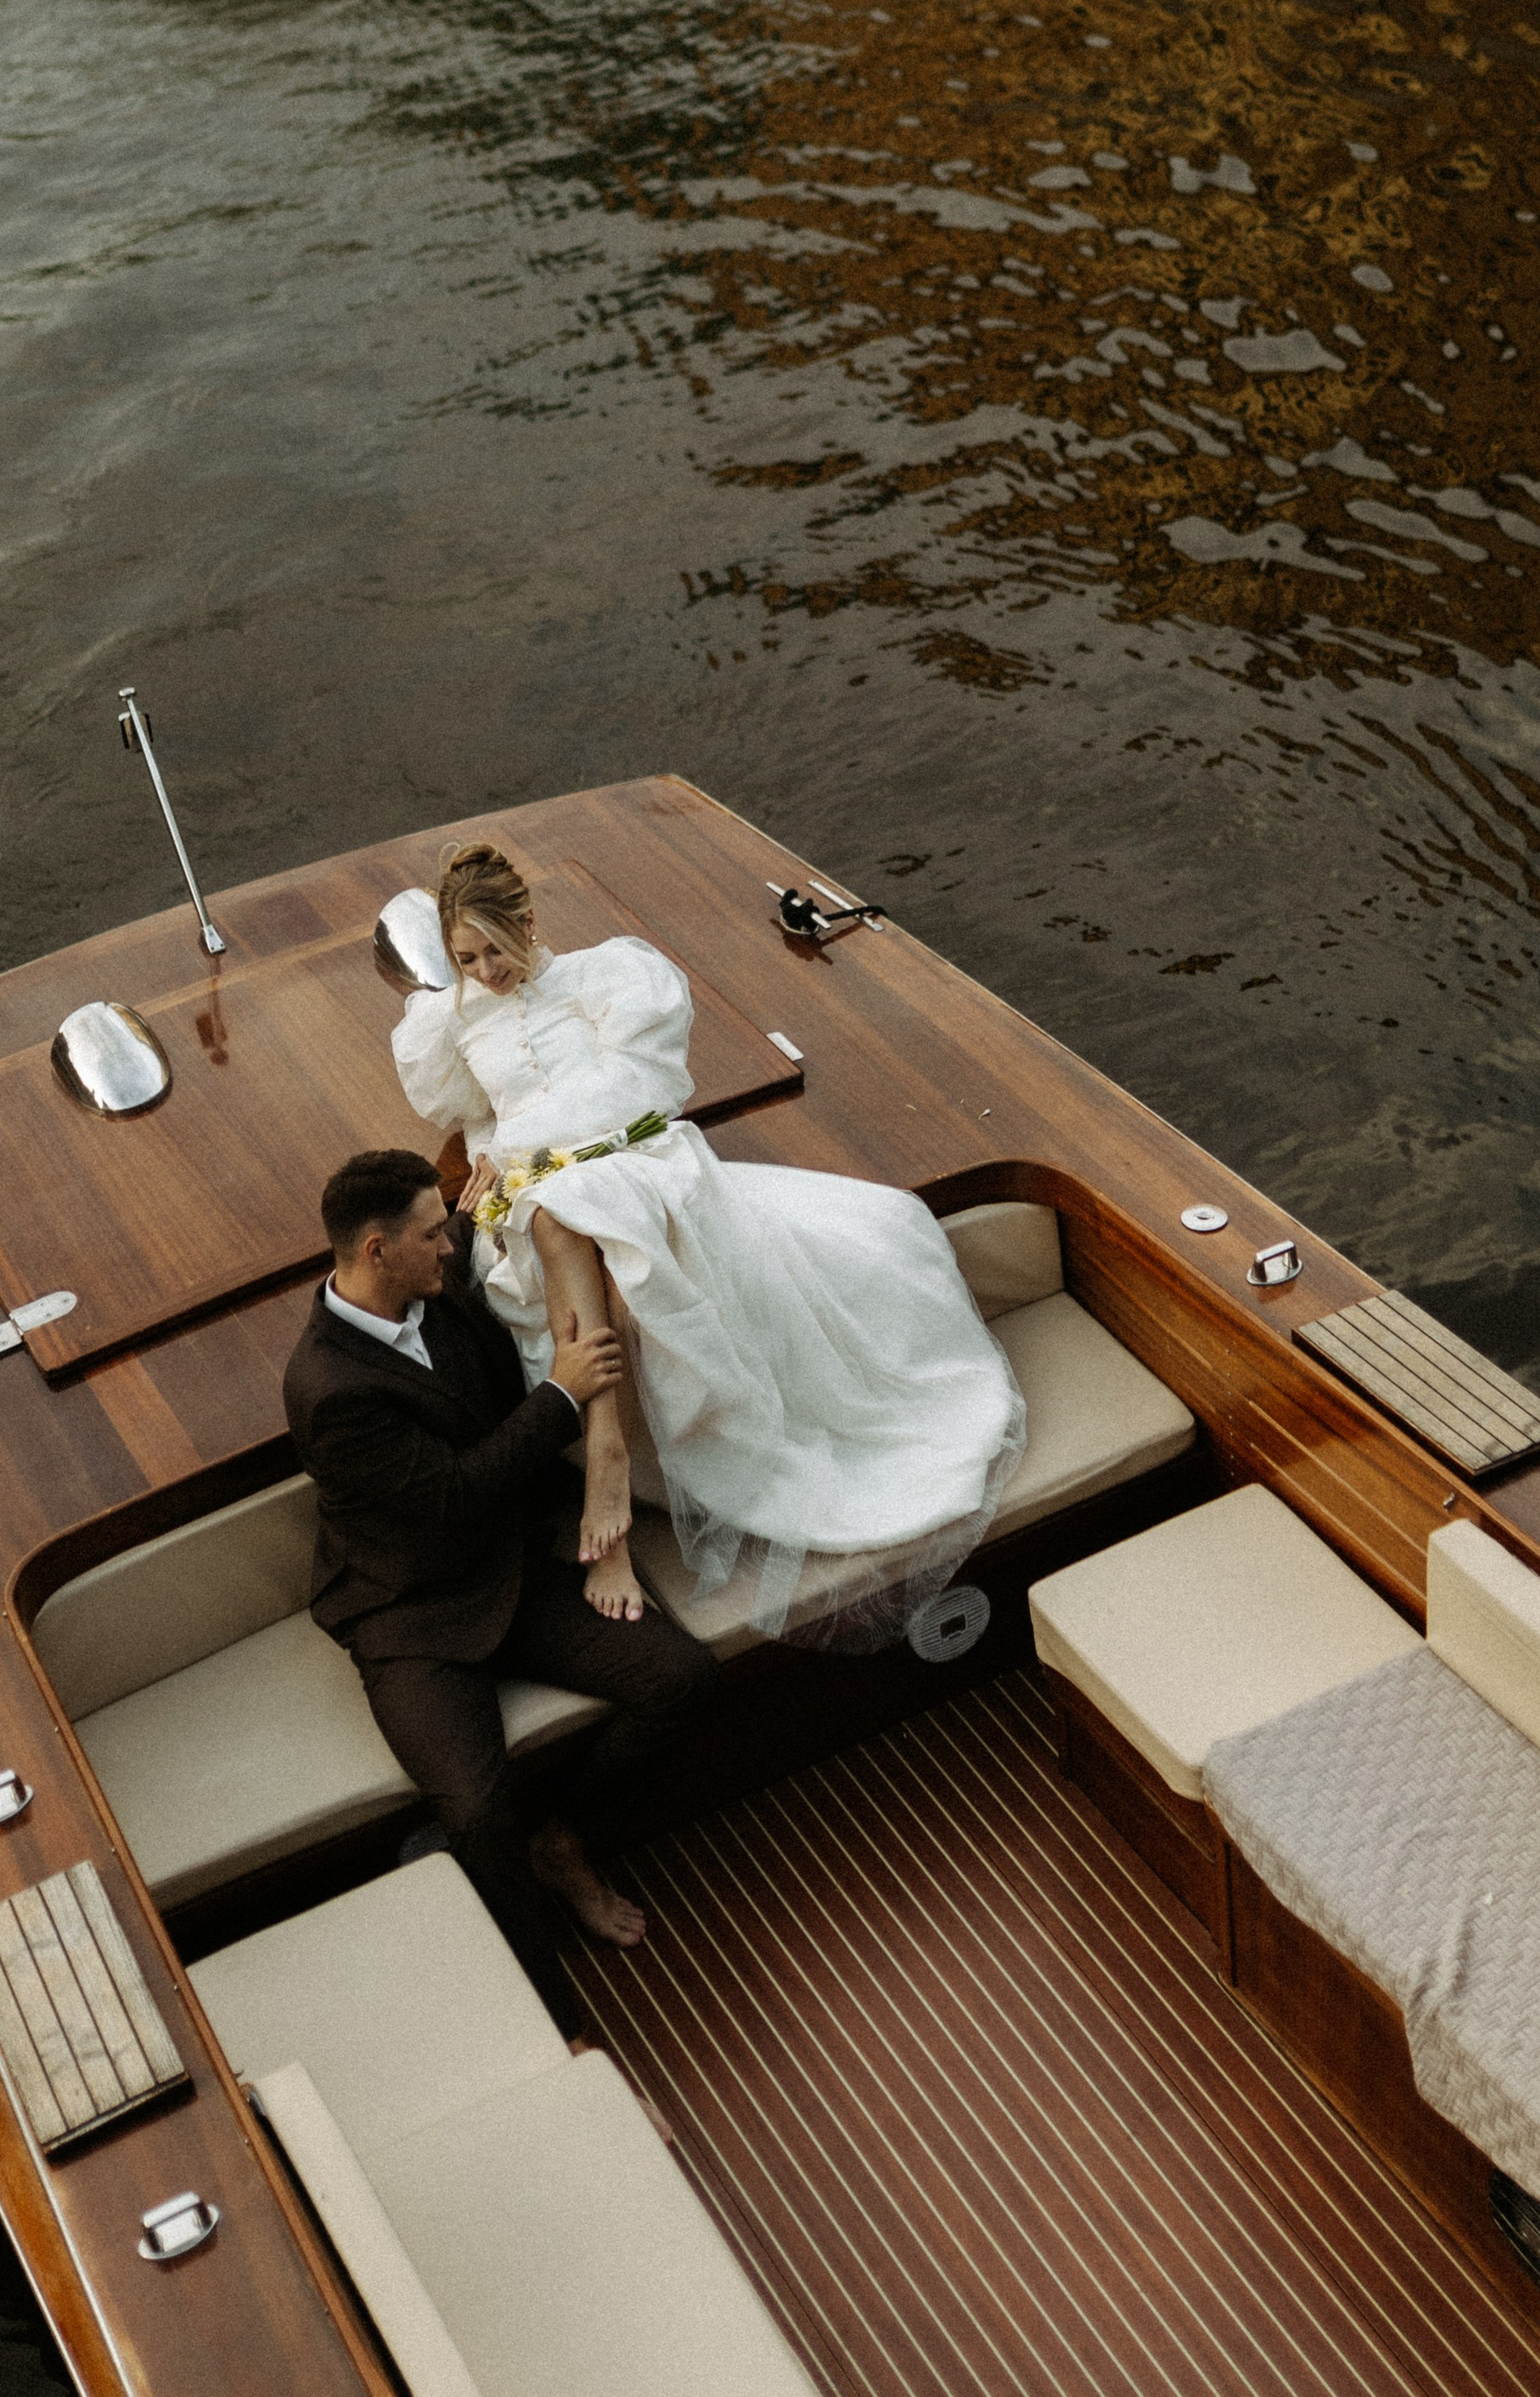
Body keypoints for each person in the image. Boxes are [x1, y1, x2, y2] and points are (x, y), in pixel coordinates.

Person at [391, 842, 1028, 1641]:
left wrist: (526, 1151)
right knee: (562, 1218)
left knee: (579, 1218)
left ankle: (604, 1468)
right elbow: (483, 1109)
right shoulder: (455, 1022)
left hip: (636, 1160)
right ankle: (610, 1455)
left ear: (528, 922)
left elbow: (642, 1083)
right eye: (466, 958)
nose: (483, 971)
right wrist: (495, 1147)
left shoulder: (604, 976)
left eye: (494, 949)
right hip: (543, 1196)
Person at [283, 1146, 719, 2045]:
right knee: (478, 1814)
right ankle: (562, 2030)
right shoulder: (328, 1387)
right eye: (430, 1234)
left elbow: (497, 1312)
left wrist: (485, 1222)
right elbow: (452, 1495)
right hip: (411, 1616)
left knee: (682, 1677)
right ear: (375, 1250)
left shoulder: (434, 1297)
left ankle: (569, 1844)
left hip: (511, 1571)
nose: (446, 1248)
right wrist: (562, 1396)